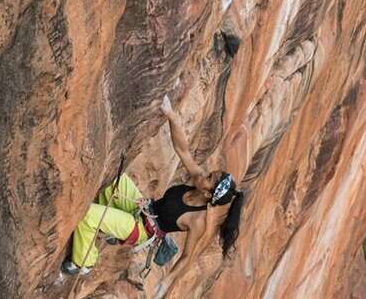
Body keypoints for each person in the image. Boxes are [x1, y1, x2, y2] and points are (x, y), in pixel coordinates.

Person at [61, 96, 244, 275]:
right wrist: (170, 114)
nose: (204, 173)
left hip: (142, 229)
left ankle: (85, 262)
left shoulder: (198, 222)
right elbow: (182, 149)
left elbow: (187, 257)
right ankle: (106, 221)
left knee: (88, 215)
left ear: (207, 193)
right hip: (141, 206)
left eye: (209, 178)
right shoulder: (198, 180)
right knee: (114, 176)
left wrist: (167, 285)